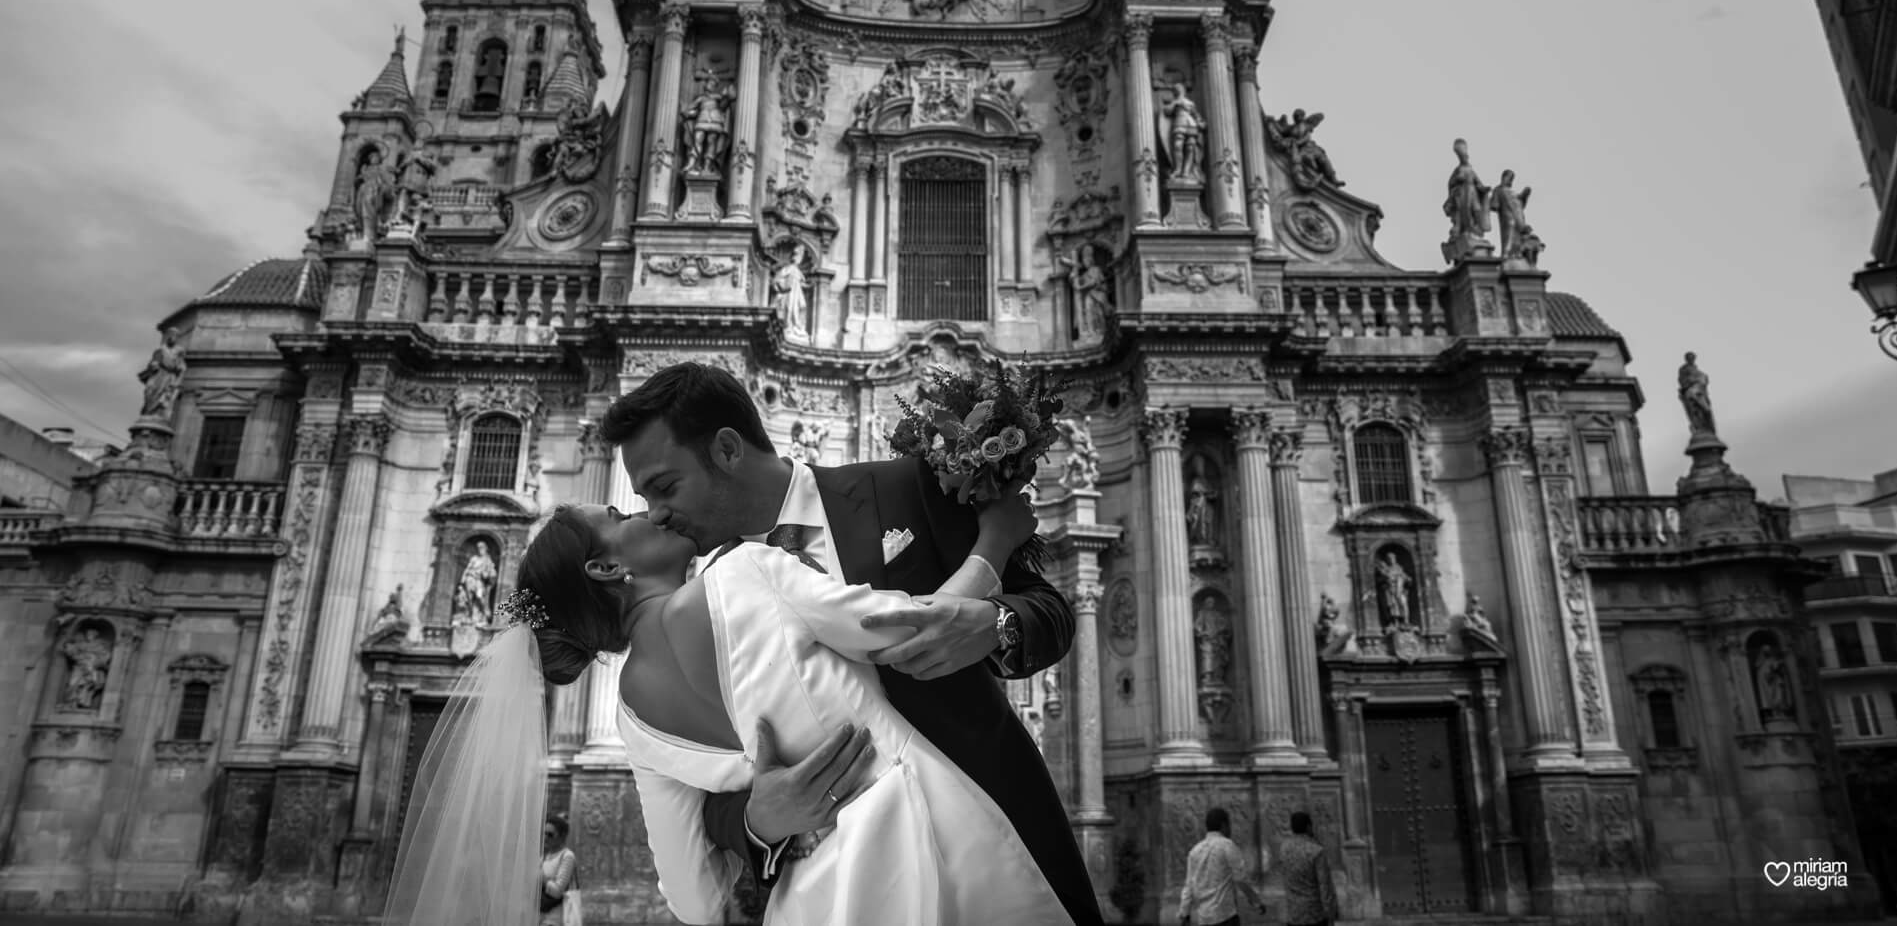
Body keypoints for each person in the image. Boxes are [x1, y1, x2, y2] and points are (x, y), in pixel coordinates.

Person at [383, 362, 1096, 926]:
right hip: (952, 855)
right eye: (631, 503)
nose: (652, 511)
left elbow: (1049, 608)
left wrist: (996, 625)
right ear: (606, 568)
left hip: (931, 849)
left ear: (726, 448)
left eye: (662, 486)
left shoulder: (906, 486)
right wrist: (761, 819)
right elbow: (898, 632)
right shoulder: (748, 571)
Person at [1178, 806, 1265, 926]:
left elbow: (1189, 886)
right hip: (1225, 916)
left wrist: (1184, 913)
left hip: (1203, 918)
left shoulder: (1194, 851)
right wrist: (1256, 902)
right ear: (1224, 825)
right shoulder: (1227, 846)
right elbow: (1241, 879)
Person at [1279, 811, 1339, 926]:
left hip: (1293, 913)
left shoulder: (1284, 849)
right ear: (1308, 827)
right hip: (1314, 914)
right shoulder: (1316, 851)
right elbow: (1324, 885)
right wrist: (1330, 913)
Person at [539, 815, 582, 926]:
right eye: (544, 833)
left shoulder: (567, 856)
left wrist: (543, 879)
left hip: (555, 919)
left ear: (562, 836)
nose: (546, 837)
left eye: (550, 834)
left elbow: (558, 891)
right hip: (540, 916)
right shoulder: (545, 856)